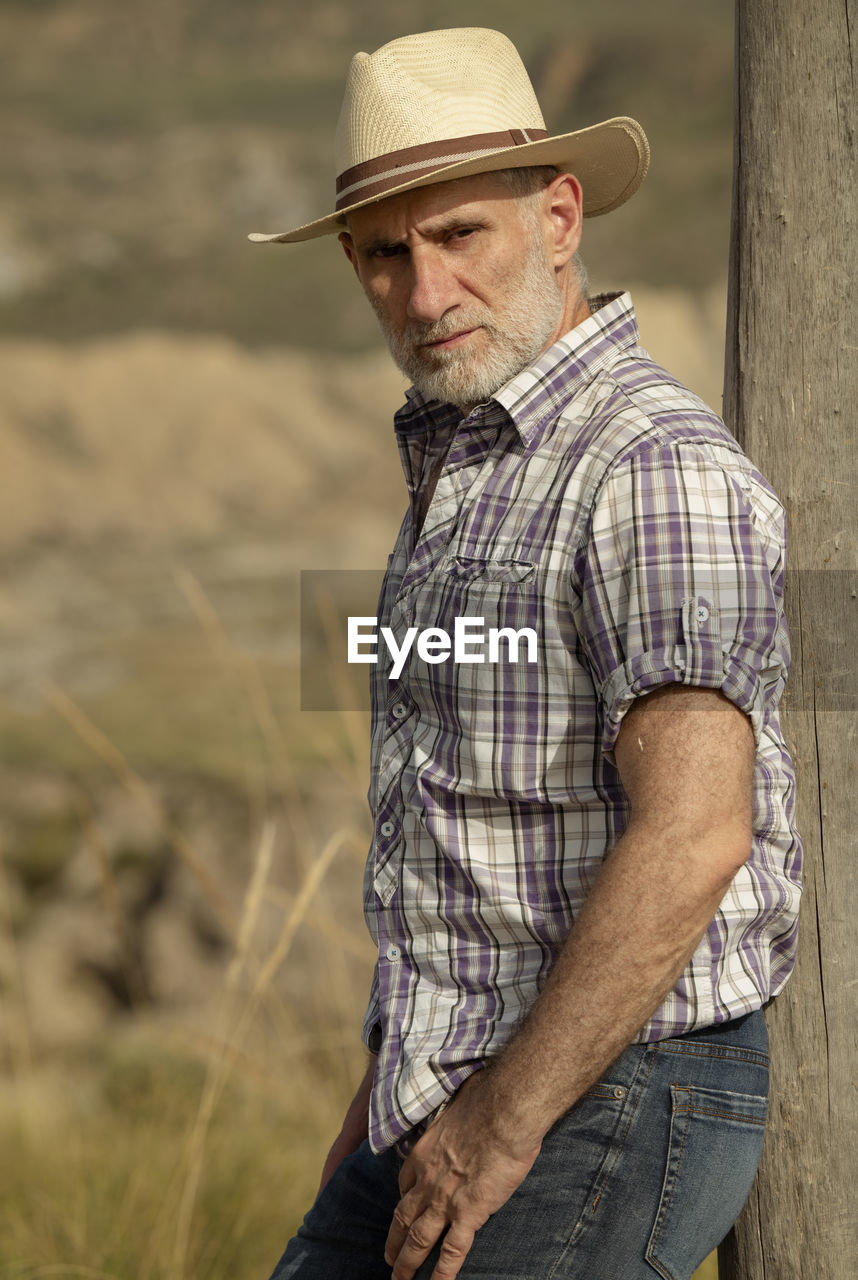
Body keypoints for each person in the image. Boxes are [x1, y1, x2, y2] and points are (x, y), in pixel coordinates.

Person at [250, 28, 801, 1280]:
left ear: (558, 217)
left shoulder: (647, 468)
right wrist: (387, 1094)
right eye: (386, 254)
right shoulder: (464, 472)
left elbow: (697, 832)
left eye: (459, 237)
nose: (424, 291)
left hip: (608, 1082)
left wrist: (498, 1123)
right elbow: (467, 828)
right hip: (455, 1083)